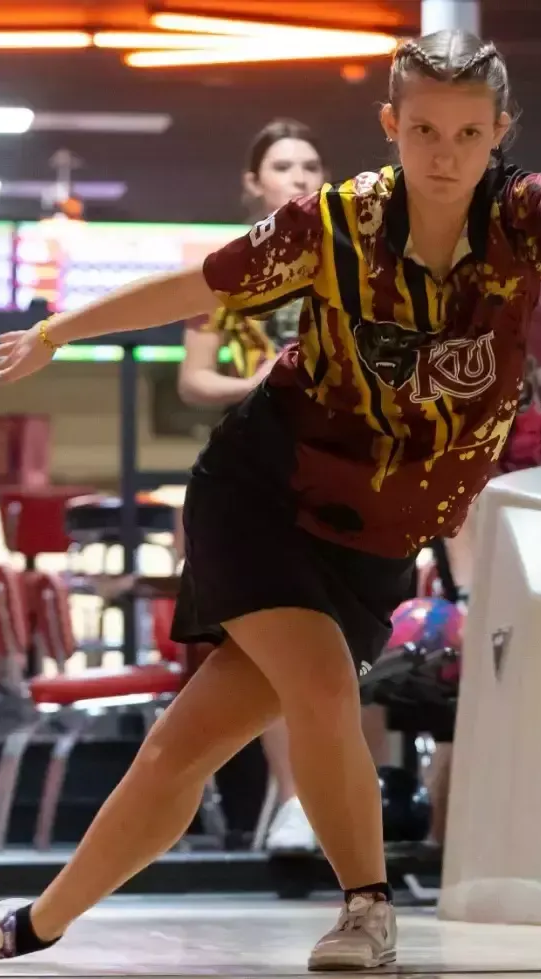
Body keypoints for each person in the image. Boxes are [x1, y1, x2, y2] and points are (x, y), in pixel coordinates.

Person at [0, 30, 541, 968]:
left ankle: (21, 928)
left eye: (466, 132)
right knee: (326, 681)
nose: (444, 153)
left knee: (184, 749)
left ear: (500, 131)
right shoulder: (332, 223)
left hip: (376, 536)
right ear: (391, 126)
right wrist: (58, 329)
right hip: (263, 489)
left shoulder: (522, 216)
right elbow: (196, 283)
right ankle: (367, 909)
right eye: (423, 129)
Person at [178, 118, 327, 854]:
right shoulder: (229, 268)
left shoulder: (346, 260)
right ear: (254, 182)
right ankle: (294, 795)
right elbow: (193, 378)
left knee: (340, 640)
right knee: (270, 642)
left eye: (310, 164)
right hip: (254, 467)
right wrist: (256, 378)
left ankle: (329, 797)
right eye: (283, 165)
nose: (300, 176)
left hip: (339, 465)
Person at [424, 269, 541, 846]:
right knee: (477, 686)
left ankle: (540, 836)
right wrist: (469, 587)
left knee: (539, 682)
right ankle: (448, 847)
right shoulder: (454, 302)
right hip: (473, 512)